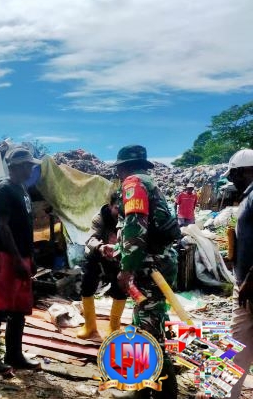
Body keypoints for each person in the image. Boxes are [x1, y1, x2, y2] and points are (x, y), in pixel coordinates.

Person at [113, 145, 179, 398]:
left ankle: (164, 393)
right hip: (158, 263)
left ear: (123, 167)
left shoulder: (134, 183)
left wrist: (126, 269)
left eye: (118, 170)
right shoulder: (149, 183)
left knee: (149, 333)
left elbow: (135, 227)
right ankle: (141, 389)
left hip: (150, 268)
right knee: (144, 326)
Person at [0, 146, 42, 373]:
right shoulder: (4, 190)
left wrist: (30, 257)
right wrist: (16, 258)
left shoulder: (22, 189)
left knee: (19, 309)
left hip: (21, 256)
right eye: (28, 165)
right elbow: (2, 226)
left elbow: (25, 227)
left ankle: (14, 355)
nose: (31, 169)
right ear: (17, 166)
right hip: (6, 257)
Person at [223, 148, 253, 399]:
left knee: (236, 343)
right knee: (237, 344)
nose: (231, 179)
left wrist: (250, 279)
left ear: (244, 171)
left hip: (250, 285)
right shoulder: (248, 196)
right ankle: (225, 392)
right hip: (244, 284)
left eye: (233, 174)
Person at [77, 192, 127, 339]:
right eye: (117, 208)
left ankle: (114, 327)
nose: (120, 212)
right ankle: (89, 325)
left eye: (123, 208)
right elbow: (91, 239)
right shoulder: (99, 218)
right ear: (110, 206)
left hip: (117, 258)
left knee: (120, 289)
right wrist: (101, 247)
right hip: (96, 255)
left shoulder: (129, 218)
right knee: (87, 287)